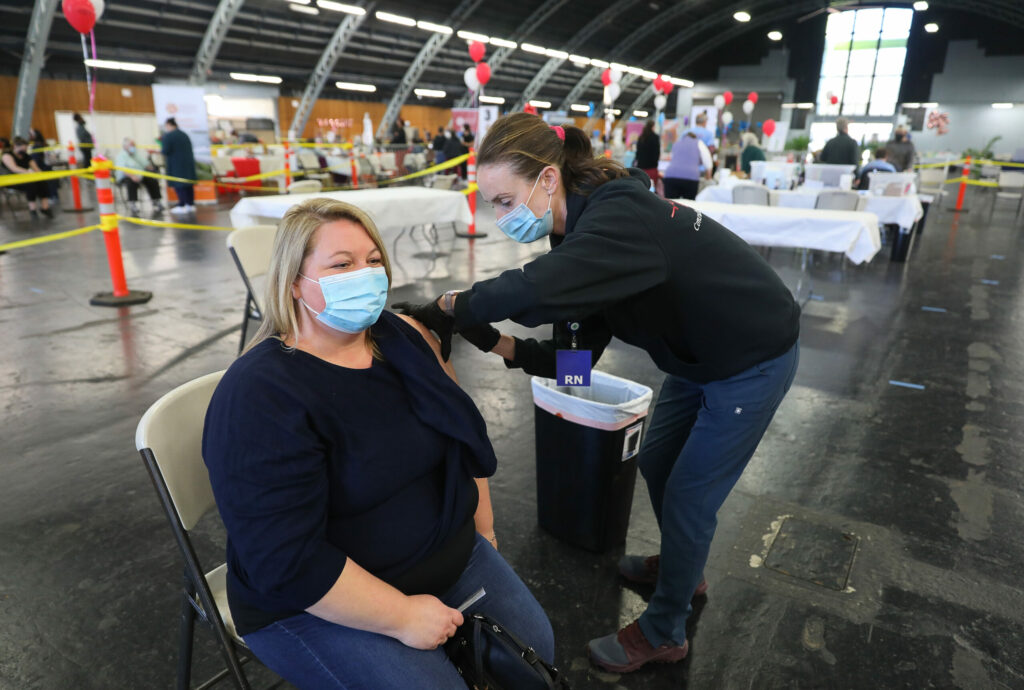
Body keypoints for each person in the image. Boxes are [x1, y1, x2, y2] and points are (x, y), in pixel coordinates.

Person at [395, 113, 800, 675]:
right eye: (492, 203)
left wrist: (450, 308)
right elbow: (573, 364)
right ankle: (685, 568)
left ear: (547, 178)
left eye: (505, 199)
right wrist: (487, 339)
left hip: (750, 356)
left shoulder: (616, 216)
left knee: (689, 494)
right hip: (693, 355)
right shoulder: (578, 243)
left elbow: (536, 289)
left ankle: (664, 631)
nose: (500, 215)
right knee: (658, 463)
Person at [202, 198, 554, 689]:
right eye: (342, 264)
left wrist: (484, 534)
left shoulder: (397, 338)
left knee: (537, 650)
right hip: (312, 601)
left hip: (445, 552)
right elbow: (286, 559)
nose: (365, 275)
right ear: (293, 284)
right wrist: (402, 617)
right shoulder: (260, 396)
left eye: (372, 261)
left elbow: (462, 436)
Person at [1, 137, 53, 218]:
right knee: (31, 184)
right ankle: (33, 210)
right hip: (11, 181)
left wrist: (42, 175)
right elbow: (14, 168)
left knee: (42, 182)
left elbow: (36, 168)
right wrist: (28, 172)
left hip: (26, 179)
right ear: (15, 146)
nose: (24, 150)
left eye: (25, 148)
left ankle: (45, 207)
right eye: (22, 148)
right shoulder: (7, 155)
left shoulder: (26, 156)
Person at [114, 137, 164, 215]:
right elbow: (122, 170)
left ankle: (156, 200)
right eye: (131, 145)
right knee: (131, 182)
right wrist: (132, 176)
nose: (133, 147)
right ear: (125, 146)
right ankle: (132, 204)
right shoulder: (121, 156)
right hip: (126, 176)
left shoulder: (136, 154)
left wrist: (152, 169)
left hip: (140, 174)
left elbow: (145, 163)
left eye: (134, 145)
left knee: (151, 179)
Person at [160, 117, 196, 215]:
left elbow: (165, 151)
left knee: (179, 185)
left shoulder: (169, 136)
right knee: (188, 185)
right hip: (187, 164)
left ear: (169, 125)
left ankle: (182, 204)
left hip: (176, 165)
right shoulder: (184, 135)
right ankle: (190, 204)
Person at [662, 131, 712, 199]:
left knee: (670, 204)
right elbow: (708, 161)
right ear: (695, 138)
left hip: (671, 177)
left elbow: (672, 158)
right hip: (690, 178)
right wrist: (708, 179)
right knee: (689, 205)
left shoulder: (677, 143)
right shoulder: (698, 143)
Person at [634, 120, 661, 188]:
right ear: (652, 127)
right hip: (651, 167)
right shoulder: (655, 137)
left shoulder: (641, 137)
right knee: (651, 189)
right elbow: (656, 153)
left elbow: (637, 152)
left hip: (641, 167)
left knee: (641, 188)